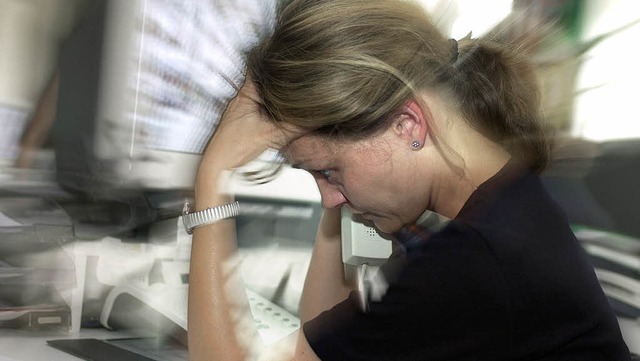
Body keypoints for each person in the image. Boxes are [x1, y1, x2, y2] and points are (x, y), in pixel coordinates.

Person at [187, 0, 631, 360]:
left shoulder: (471, 265)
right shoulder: (506, 202)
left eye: (328, 172)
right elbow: (328, 339)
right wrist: (340, 186)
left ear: (408, 126)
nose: (327, 198)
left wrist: (211, 176)